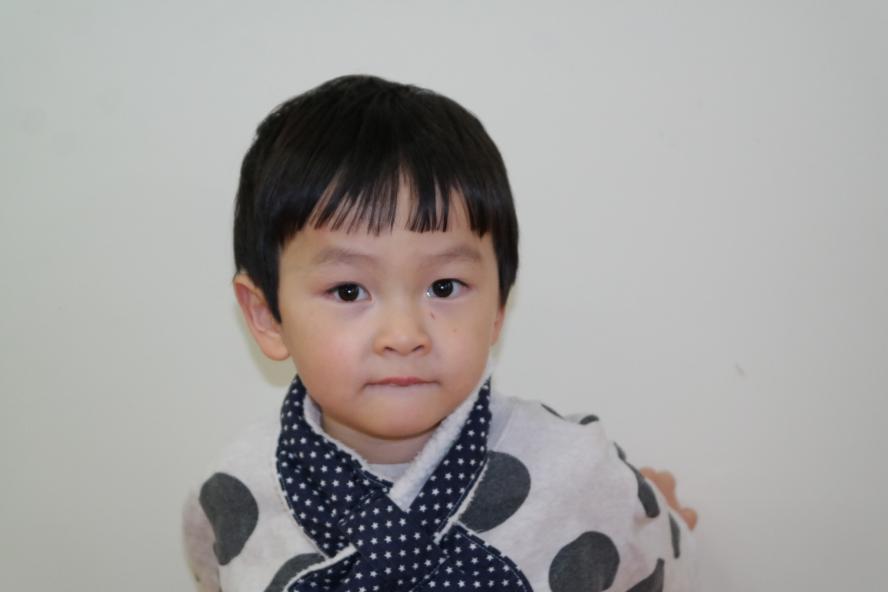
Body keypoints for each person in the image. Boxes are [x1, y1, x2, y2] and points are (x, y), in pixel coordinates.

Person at [181, 75, 699, 592]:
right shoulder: (232, 492)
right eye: (348, 291)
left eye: (444, 287)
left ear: (498, 306)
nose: (404, 335)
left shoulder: (584, 476)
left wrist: (656, 516)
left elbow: (658, 559)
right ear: (267, 317)